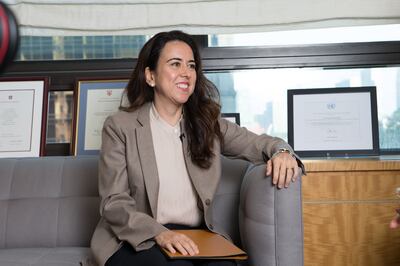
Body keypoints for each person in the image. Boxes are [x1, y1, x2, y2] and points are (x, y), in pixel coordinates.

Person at [90, 30, 304, 266]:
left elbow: (259, 143)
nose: (186, 73)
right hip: (139, 237)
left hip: (197, 236)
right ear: (150, 76)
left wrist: (282, 152)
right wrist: (160, 233)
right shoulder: (120, 127)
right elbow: (114, 202)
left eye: (191, 66)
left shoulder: (207, 124)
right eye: (175, 64)